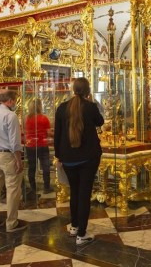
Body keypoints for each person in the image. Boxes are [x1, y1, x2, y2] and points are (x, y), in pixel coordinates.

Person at [54, 77, 104, 246]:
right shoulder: (90, 107)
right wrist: (91, 102)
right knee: (84, 194)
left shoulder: (61, 108)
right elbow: (101, 122)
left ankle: (75, 226)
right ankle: (82, 234)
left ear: (73, 89)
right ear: (88, 91)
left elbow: (58, 135)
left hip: (68, 158)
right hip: (88, 157)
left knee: (75, 192)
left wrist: (58, 156)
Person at [0, 90, 28, 233]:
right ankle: (11, 222)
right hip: (7, 155)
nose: (15, 103)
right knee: (13, 189)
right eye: (14, 100)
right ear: (9, 100)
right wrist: (19, 160)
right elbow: (14, 141)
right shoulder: (10, 115)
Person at [25, 98, 53, 196]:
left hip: (30, 145)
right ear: (40, 106)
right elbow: (49, 132)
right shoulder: (43, 118)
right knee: (45, 166)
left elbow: (25, 131)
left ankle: (33, 188)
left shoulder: (27, 118)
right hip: (42, 144)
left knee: (31, 167)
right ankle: (46, 187)